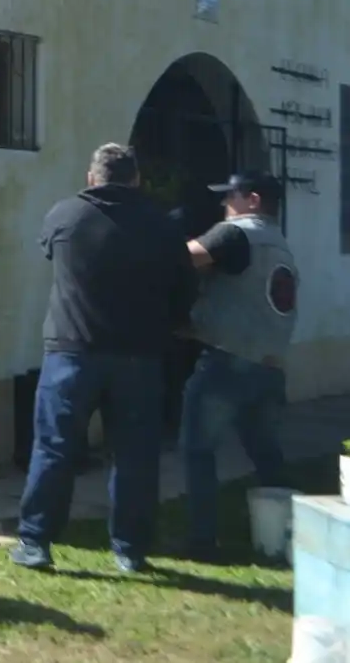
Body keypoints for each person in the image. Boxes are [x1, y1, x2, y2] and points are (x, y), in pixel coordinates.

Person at [11, 143, 199, 574]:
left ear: (91, 177)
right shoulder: (163, 225)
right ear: (136, 179)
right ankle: (130, 550)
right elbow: (185, 289)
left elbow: (51, 254)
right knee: (135, 454)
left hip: (72, 350)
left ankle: (36, 542)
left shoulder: (65, 215)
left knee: (56, 448)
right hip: (140, 355)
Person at [179, 173, 298, 561]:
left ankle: (201, 540)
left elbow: (183, 258)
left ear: (253, 200)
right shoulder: (281, 246)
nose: (223, 205)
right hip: (270, 366)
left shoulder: (237, 234)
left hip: (228, 362)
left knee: (198, 450)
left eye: (230, 197)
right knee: (266, 454)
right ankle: (288, 533)